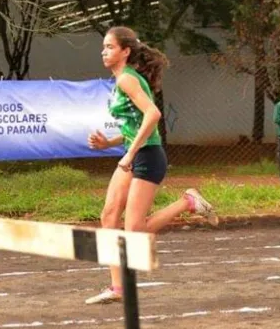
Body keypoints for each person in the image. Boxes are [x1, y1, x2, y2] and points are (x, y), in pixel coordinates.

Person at [85, 26, 218, 304]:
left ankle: (187, 202)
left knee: (134, 233)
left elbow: (153, 115)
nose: (103, 52)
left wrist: (129, 155)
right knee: (109, 215)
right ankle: (117, 288)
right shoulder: (122, 79)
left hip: (147, 157)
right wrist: (109, 144)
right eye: (103, 47)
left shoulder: (127, 80)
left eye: (109, 47)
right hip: (135, 155)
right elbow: (135, 125)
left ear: (125, 51)